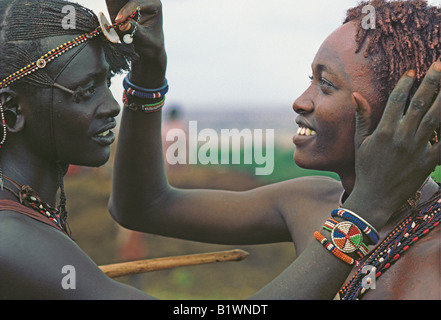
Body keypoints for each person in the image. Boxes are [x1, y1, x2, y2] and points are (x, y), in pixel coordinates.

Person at [0, 0, 437, 300]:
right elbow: (141, 205)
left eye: (325, 84)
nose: (300, 101)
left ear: (405, 111)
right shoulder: (313, 204)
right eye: (310, 78)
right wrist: (363, 213)